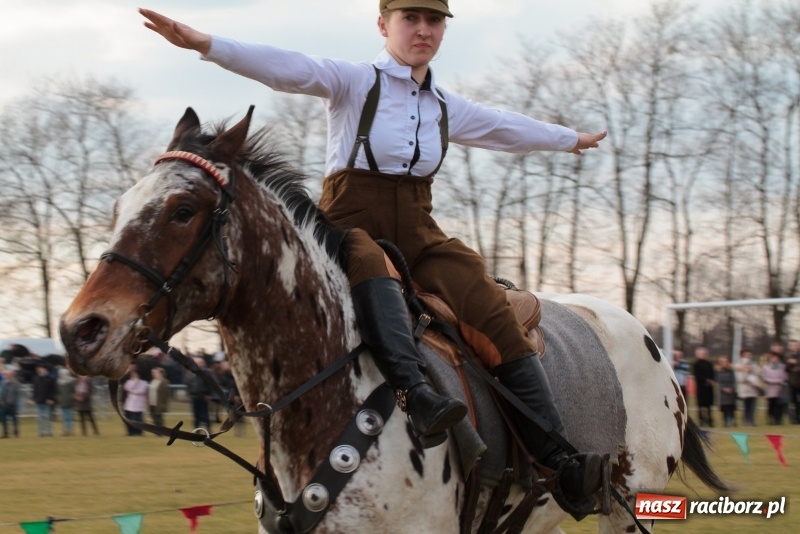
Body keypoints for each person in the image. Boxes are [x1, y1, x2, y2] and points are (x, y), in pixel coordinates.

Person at [140, 1, 608, 510]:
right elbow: (287, 67)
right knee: (366, 258)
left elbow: (504, 127)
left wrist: (569, 141)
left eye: (434, 21)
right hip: (346, 223)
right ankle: (417, 394)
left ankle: (558, 459)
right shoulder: (355, 82)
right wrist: (206, 44)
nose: (423, 30)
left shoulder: (445, 107)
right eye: (412, 19)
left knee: (485, 298)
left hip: (420, 230)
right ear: (384, 25)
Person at [187, 357, 215, 431]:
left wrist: (209, 395)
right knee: (196, 415)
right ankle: (197, 430)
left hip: (204, 396)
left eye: (200, 363)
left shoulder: (206, 373)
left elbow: (211, 384)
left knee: (205, 415)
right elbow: (189, 384)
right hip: (195, 397)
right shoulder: (191, 372)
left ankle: (208, 430)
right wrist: (189, 393)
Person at [735, 349, 761, 426]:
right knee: (746, 406)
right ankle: (746, 421)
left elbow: (759, 372)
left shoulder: (754, 364)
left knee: (753, 406)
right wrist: (745, 371)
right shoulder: (738, 365)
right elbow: (740, 379)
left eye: (750, 355)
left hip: (753, 389)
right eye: (747, 355)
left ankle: (752, 420)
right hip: (745, 389)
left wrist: (752, 369)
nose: (749, 357)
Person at [762, 350, 788, 425]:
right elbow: (765, 377)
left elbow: (785, 377)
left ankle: (778, 419)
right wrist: (774, 381)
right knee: (771, 405)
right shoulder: (766, 367)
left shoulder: (782, 367)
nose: (774, 359)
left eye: (776, 358)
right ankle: (770, 419)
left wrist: (780, 381)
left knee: (779, 405)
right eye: (772, 358)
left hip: (779, 390)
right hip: (770, 390)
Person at [32, 363, 57, 437]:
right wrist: (34, 398)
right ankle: (41, 432)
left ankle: (49, 432)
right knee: (39, 418)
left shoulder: (50, 379)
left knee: (48, 417)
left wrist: (51, 399)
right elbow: (35, 390)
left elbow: (52, 390)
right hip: (39, 400)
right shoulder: (36, 378)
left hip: (47, 401)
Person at [123, 367, 149, 436]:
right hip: (130, 404)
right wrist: (134, 383)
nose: (134, 376)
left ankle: (138, 432)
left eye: (135, 374)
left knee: (138, 419)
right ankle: (132, 432)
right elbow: (127, 388)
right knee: (131, 419)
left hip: (139, 404)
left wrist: (134, 389)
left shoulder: (144, 383)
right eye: (133, 374)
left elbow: (142, 391)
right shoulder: (129, 382)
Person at [693, 347, 715, 427]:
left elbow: (713, 374)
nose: (703, 355)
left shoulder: (709, 364)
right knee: (701, 405)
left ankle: (710, 420)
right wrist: (705, 380)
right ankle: (701, 420)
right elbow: (697, 375)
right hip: (701, 387)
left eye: (704, 354)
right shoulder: (696, 364)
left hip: (709, 388)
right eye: (701, 354)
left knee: (709, 405)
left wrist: (712, 381)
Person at [716, 356, 736, 427]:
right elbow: (719, 382)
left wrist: (731, 388)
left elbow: (733, 381)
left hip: (731, 392)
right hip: (723, 393)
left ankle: (732, 420)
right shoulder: (719, 372)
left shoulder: (731, 372)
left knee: (731, 407)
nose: (724, 363)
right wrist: (724, 389)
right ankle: (725, 421)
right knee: (725, 408)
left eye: (726, 362)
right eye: (723, 362)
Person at [0, 369, 22, 437]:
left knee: (14, 419)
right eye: (6, 375)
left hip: (12, 404)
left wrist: (13, 402)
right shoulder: (3, 383)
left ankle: (15, 432)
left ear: (12, 375)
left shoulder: (16, 384)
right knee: (3, 419)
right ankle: (5, 433)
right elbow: (1, 393)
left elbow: (18, 394)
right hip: (3, 405)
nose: (8, 376)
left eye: (9, 375)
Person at [56, 367, 77, 436]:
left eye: (63, 374)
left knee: (69, 417)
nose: (61, 375)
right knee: (64, 417)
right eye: (61, 374)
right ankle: (65, 430)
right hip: (62, 402)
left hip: (69, 401)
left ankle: (70, 429)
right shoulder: (58, 382)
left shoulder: (70, 381)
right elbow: (57, 392)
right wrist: (59, 399)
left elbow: (73, 390)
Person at [785, 340, 800, 424]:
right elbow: (786, 368)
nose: (794, 347)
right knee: (792, 403)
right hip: (792, 383)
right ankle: (794, 419)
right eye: (792, 346)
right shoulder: (788, 356)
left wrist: (795, 362)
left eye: (795, 345)